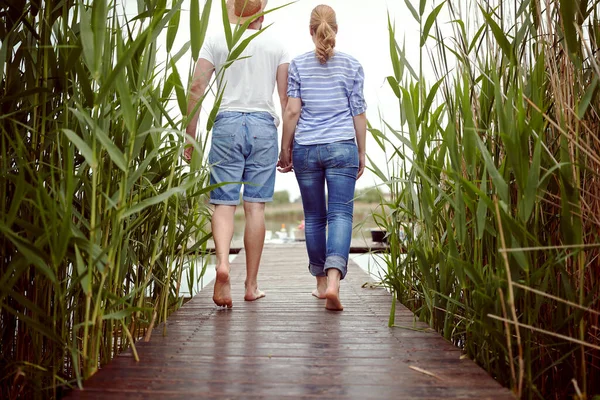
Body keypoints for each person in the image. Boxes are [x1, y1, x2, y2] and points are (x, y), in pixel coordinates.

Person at [185, 0, 290, 308]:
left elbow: (196, 89)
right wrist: (286, 147)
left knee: (223, 204)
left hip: (227, 124)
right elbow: (285, 101)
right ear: (261, 9)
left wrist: (189, 137)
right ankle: (251, 285)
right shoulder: (276, 44)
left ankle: (222, 266)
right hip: (262, 126)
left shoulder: (216, 40)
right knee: (255, 207)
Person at [277, 5, 367, 311]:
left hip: (307, 147)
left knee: (314, 217)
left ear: (310, 30)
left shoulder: (299, 65)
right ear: (336, 30)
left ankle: (319, 284)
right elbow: (359, 112)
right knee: (341, 215)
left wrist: (285, 148)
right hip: (343, 146)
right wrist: (362, 150)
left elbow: (292, 110)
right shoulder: (352, 65)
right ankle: (333, 284)